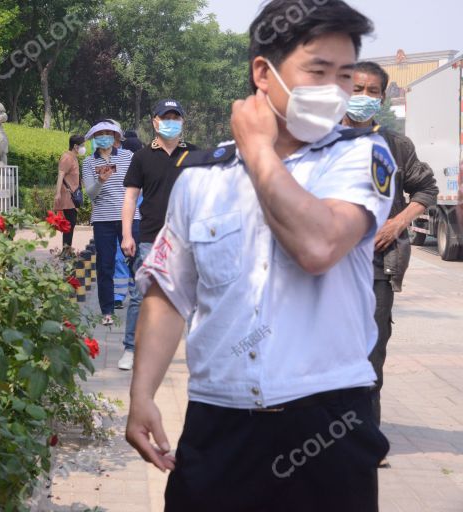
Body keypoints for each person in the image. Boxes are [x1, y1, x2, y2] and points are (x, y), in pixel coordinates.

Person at [125, 1, 395, 510]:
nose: (334, 91)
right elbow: (167, 292)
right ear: (263, 73)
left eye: (344, 75)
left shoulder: (361, 156)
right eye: (317, 71)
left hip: (329, 424)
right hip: (219, 420)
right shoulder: (202, 176)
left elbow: (318, 246)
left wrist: (259, 153)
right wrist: (142, 394)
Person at [342, 61, 438, 443]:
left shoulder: (397, 146)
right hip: (324, 269)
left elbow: (426, 190)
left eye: (371, 92)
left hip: (376, 267)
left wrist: (399, 223)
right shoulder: (316, 141)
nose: (363, 98)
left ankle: (364, 439)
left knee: (371, 354)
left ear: (382, 98)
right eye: (356, 89)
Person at [117, 99, 198, 371]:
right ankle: (130, 348)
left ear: (183, 122)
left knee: (194, 297)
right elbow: (130, 198)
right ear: (155, 121)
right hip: (151, 236)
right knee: (141, 295)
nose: (171, 122)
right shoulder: (141, 157)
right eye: (166, 117)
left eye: (176, 117)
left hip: (188, 238)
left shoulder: (195, 155)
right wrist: (127, 234)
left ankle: (198, 352)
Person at [81, 121, 140, 326]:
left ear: (116, 137)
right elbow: (90, 194)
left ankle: (142, 309)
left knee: (136, 263)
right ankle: (107, 312)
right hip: (103, 220)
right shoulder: (89, 162)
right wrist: (100, 181)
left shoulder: (128, 157)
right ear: (94, 138)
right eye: (100, 134)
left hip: (130, 218)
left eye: (108, 133)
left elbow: (137, 185)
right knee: (105, 266)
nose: (104, 137)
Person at [53, 134, 85, 248]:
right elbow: (61, 174)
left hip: (72, 196)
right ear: (75, 146)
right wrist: (57, 193)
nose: (83, 148)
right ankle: (66, 251)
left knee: (71, 224)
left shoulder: (74, 157)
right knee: (69, 225)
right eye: (82, 145)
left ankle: (67, 250)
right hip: (67, 196)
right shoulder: (67, 157)